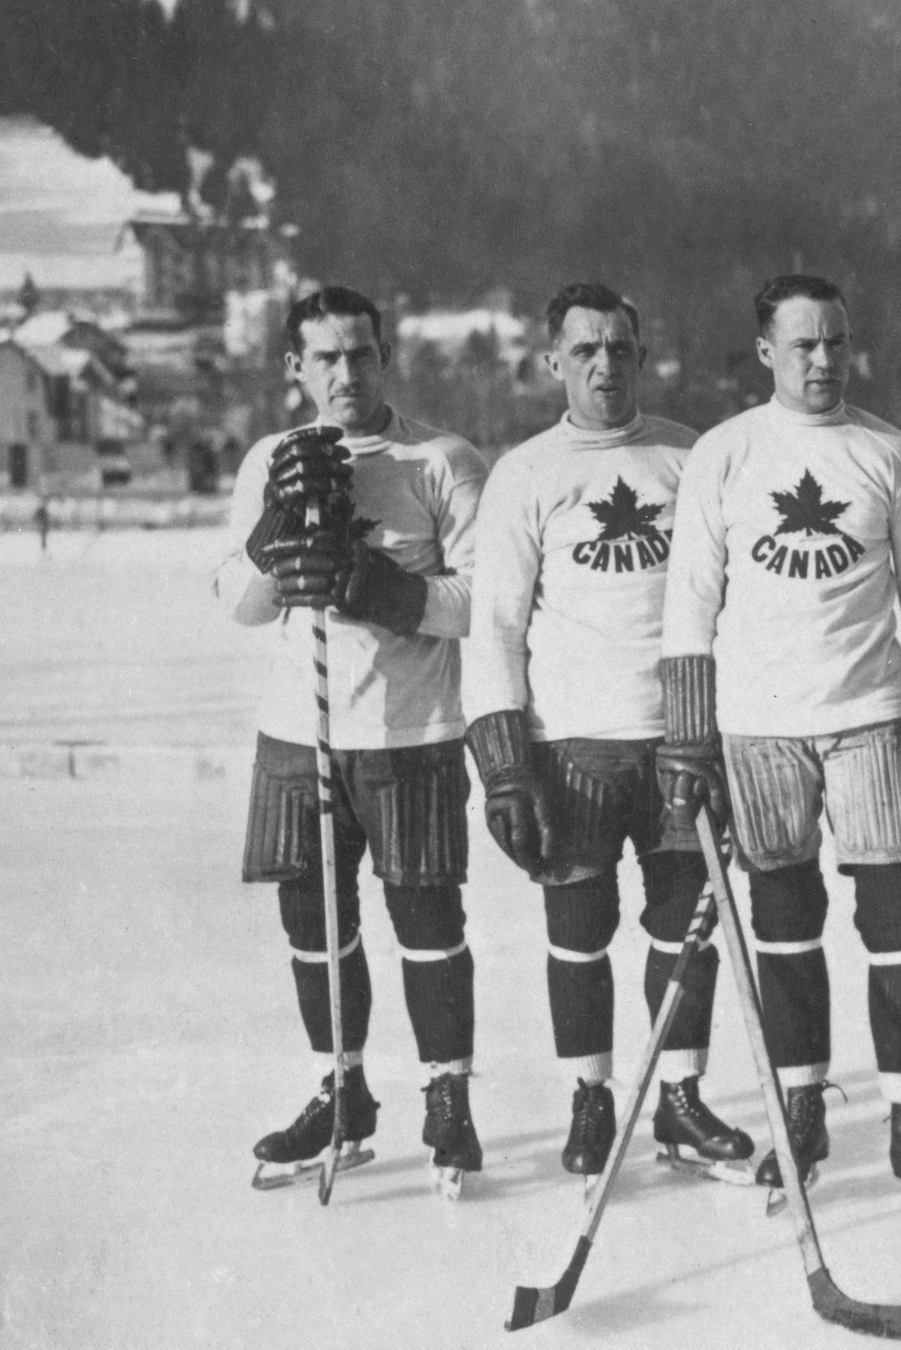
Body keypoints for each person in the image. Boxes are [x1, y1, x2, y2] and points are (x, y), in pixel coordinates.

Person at [657, 274, 901, 1212]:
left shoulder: (888, 453)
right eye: (803, 345)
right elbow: (690, 607)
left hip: (872, 717)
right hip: (759, 727)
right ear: (766, 352)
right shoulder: (725, 455)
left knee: (899, 925)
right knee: (786, 925)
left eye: (838, 341)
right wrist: (688, 742)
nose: (825, 360)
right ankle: (800, 1111)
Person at [462, 281, 754, 1184]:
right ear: (554, 361)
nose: (604, 365)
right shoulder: (526, 473)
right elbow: (496, 626)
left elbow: (733, 605)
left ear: (641, 354)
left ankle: (678, 1095)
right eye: (585, 350)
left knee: (682, 931)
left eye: (620, 348)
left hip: (677, 740)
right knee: (578, 930)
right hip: (571, 746)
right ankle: (590, 1095)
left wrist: (723, 735)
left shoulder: (689, 458)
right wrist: (505, 767)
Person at [219, 286, 489, 1194]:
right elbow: (237, 603)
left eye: (361, 354)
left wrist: (376, 585)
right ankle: (341, 1091)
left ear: (385, 357)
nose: (346, 372)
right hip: (301, 733)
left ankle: (447, 1098)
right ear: (294, 368)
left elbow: (482, 603)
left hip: (410, 732)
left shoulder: (439, 460)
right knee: (313, 924)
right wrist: (271, 545)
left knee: (427, 922)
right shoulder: (271, 458)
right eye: (326, 357)